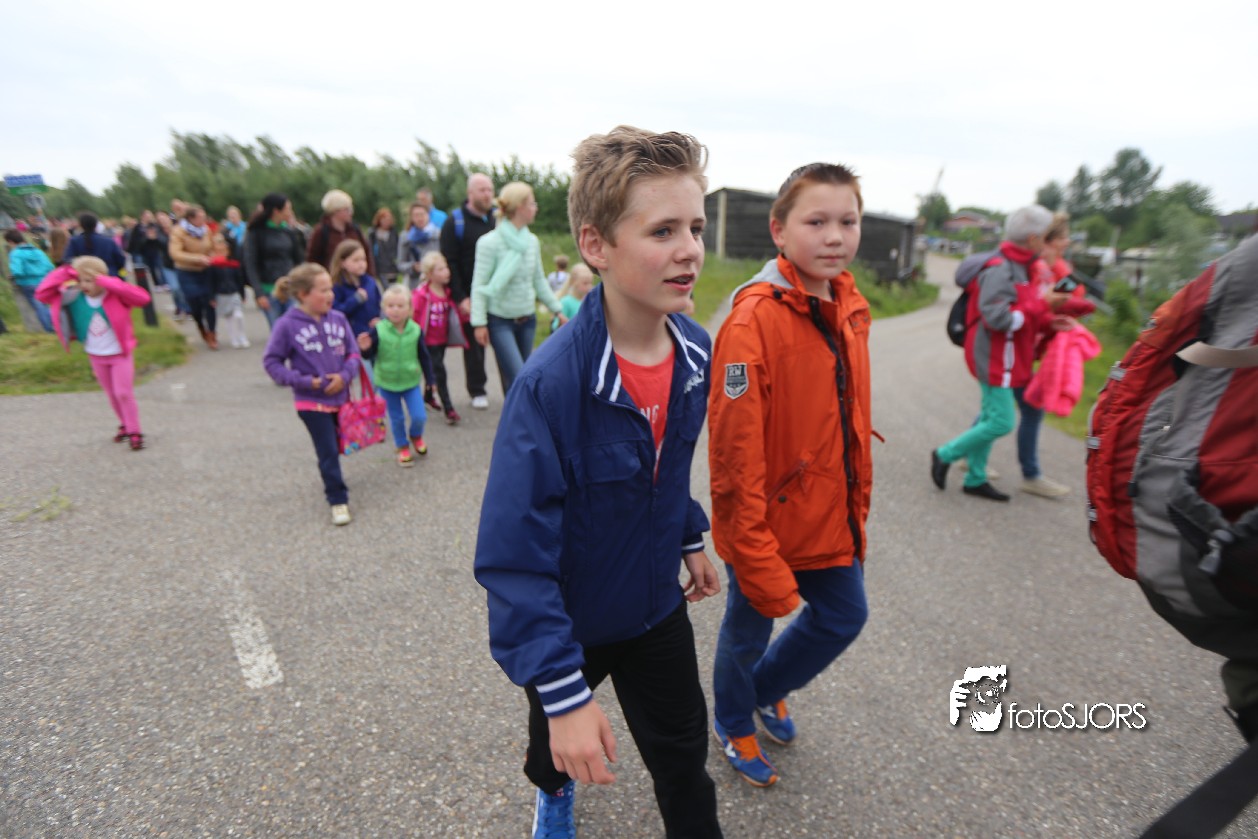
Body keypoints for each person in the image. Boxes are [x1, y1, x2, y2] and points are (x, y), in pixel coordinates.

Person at [474, 126, 722, 839]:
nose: (690, 249)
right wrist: (563, 694)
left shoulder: (695, 351)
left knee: (685, 760)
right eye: (663, 230)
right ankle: (552, 792)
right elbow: (514, 556)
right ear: (595, 245)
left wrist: (688, 534)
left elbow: (665, 467)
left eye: (696, 227)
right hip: (573, 622)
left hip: (656, 608)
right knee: (554, 747)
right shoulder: (549, 386)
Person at [707, 162, 874, 788]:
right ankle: (732, 720)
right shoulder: (752, 320)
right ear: (780, 231)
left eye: (847, 221)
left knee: (843, 616)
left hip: (828, 513)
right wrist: (748, 540)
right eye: (816, 222)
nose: (834, 236)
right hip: (766, 521)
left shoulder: (848, 304)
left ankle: (762, 689)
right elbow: (733, 452)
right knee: (747, 632)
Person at [931, 205, 1074, 501]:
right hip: (995, 357)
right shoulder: (1001, 269)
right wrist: (1042, 306)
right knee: (1002, 421)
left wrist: (1047, 320)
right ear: (1033, 239)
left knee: (989, 416)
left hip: (1008, 355)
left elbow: (1022, 312)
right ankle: (945, 454)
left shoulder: (1022, 267)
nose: (1051, 242)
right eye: (1047, 236)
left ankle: (975, 478)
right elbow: (999, 318)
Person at [261, 263, 362, 527]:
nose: (331, 295)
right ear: (303, 294)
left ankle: (333, 478)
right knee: (327, 450)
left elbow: (353, 353)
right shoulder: (286, 325)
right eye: (324, 290)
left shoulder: (339, 318)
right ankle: (337, 499)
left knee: (338, 446)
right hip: (311, 402)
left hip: (341, 399)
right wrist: (305, 382)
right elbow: (271, 362)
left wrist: (344, 376)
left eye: (330, 289)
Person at [35, 256, 152, 450]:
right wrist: (66, 272)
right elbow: (42, 294)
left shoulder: (115, 295)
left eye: (89, 281)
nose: (84, 285)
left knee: (123, 392)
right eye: (81, 280)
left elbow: (142, 298)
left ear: (101, 278)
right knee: (112, 394)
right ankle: (124, 424)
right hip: (96, 355)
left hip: (119, 354)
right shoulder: (74, 297)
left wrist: (108, 282)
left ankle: (134, 431)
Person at [469, 182, 568, 395]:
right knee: (519, 377)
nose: (535, 208)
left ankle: (513, 416)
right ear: (519, 207)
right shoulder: (488, 243)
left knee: (517, 383)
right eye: (532, 203)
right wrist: (479, 323)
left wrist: (557, 309)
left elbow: (539, 280)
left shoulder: (531, 241)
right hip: (500, 322)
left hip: (527, 320)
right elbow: (479, 285)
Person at [440, 173, 496, 410]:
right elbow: (450, 262)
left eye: (490, 189)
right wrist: (460, 297)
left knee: (502, 340)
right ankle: (477, 389)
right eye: (482, 190)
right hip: (470, 294)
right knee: (474, 346)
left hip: (497, 294)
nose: (488, 194)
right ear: (470, 193)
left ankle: (513, 387)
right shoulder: (455, 222)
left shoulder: (498, 218)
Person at [356, 284, 429, 467]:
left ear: (409, 308)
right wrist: (365, 349)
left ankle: (416, 435)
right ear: (384, 308)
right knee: (397, 418)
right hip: (387, 383)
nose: (395, 310)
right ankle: (402, 446)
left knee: (419, 416)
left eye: (400, 306)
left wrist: (431, 380)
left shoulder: (416, 330)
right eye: (390, 306)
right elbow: (369, 354)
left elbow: (424, 356)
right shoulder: (379, 330)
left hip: (410, 381)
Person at [412, 251, 466, 424]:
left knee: (434, 370)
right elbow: (414, 315)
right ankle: (449, 408)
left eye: (446, 268)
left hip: (442, 340)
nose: (446, 272)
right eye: (440, 269)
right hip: (427, 342)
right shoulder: (422, 294)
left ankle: (428, 396)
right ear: (429, 274)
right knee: (440, 372)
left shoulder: (448, 292)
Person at [244, 193, 306, 330]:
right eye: (288, 208)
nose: (290, 212)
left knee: (295, 329)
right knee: (278, 331)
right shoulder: (256, 232)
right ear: (276, 211)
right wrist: (259, 293)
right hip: (269, 291)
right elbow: (251, 263)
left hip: (290, 289)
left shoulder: (289, 232)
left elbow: (299, 260)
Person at [168, 204, 218, 349]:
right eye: (200, 217)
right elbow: (175, 253)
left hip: (205, 271)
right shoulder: (179, 231)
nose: (203, 219)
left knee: (210, 302)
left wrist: (213, 256)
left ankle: (212, 333)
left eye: (204, 216)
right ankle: (201, 326)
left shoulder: (206, 230)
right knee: (195, 303)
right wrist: (197, 258)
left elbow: (212, 247)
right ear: (191, 218)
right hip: (187, 272)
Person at [307, 190, 375, 275]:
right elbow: (312, 259)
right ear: (335, 211)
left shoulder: (355, 229)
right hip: (332, 278)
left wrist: (370, 275)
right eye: (347, 209)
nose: (351, 213)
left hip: (357, 277)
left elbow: (367, 253)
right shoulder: (321, 231)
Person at [5, 229, 56, 332]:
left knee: (39, 307)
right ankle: (57, 324)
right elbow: (49, 266)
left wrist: (13, 276)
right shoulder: (37, 251)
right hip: (43, 281)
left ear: (10, 241)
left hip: (28, 284)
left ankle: (49, 329)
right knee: (46, 305)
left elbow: (18, 271)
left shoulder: (16, 253)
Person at [208, 234, 249, 349]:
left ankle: (242, 335)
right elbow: (210, 282)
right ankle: (234, 338)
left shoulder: (234, 264)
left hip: (234, 293)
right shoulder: (213, 266)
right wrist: (211, 297)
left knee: (238, 315)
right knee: (229, 318)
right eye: (219, 250)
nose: (222, 252)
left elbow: (239, 280)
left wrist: (242, 294)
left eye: (224, 250)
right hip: (221, 295)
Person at [64, 212, 127, 277]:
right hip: (107, 275)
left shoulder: (75, 241)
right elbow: (120, 259)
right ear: (96, 224)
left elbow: (68, 260)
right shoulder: (109, 241)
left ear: (80, 225)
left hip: (83, 277)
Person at [397, 203, 441, 289]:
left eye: (422, 214)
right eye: (416, 215)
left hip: (436, 283)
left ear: (428, 215)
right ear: (411, 217)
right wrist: (413, 267)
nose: (420, 218)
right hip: (415, 284)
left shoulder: (438, 235)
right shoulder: (406, 237)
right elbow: (400, 264)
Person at [126, 209, 169, 290]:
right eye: (147, 216)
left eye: (150, 216)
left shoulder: (154, 225)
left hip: (156, 250)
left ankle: (164, 283)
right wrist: (129, 250)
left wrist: (155, 237)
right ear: (142, 217)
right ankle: (157, 284)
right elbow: (134, 240)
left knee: (160, 266)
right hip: (144, 251)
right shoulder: (138, 227)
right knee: (151, 268)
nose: (149, 217)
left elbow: (159, 236)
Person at [550, 262, 594, 332]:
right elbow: (555, 326)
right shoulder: (565, 302)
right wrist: (562, 324)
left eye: (590, 283)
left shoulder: (590, 301)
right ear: (574, 282)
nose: (589, 286)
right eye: (585, 283)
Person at [368, 208, 400, 285]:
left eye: (388, 219)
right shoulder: (373, 234)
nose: (386, 222)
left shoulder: (394, 233)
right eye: (384, 219)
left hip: (391, 266)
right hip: (378, 266)